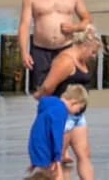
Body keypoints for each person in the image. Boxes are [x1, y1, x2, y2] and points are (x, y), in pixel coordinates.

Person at [31, 26, 102, 180]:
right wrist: (41, 101)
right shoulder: (65, 61)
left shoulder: (81, 60)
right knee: (56, 161)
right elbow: (48, 86)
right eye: (93, 51)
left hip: (78, 116)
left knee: (84, 155)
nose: (94, 56)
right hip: (62, 115)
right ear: (85, 45)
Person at [19, 0, 92, 90]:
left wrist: (75, 28)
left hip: (65, 49)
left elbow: (87, 20)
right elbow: (24, 25)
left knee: (66, 92)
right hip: (40, 51)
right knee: (43, 92)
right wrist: (24, 52)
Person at [28, 85, 89, 179]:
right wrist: (58, 162)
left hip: (35, 145)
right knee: (51, 176)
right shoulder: (61, 111)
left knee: (41, 175)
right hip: (45, 149)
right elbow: (57, 137)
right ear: (74, 102)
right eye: (79, 109)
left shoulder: (49, 103)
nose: (77, 112)